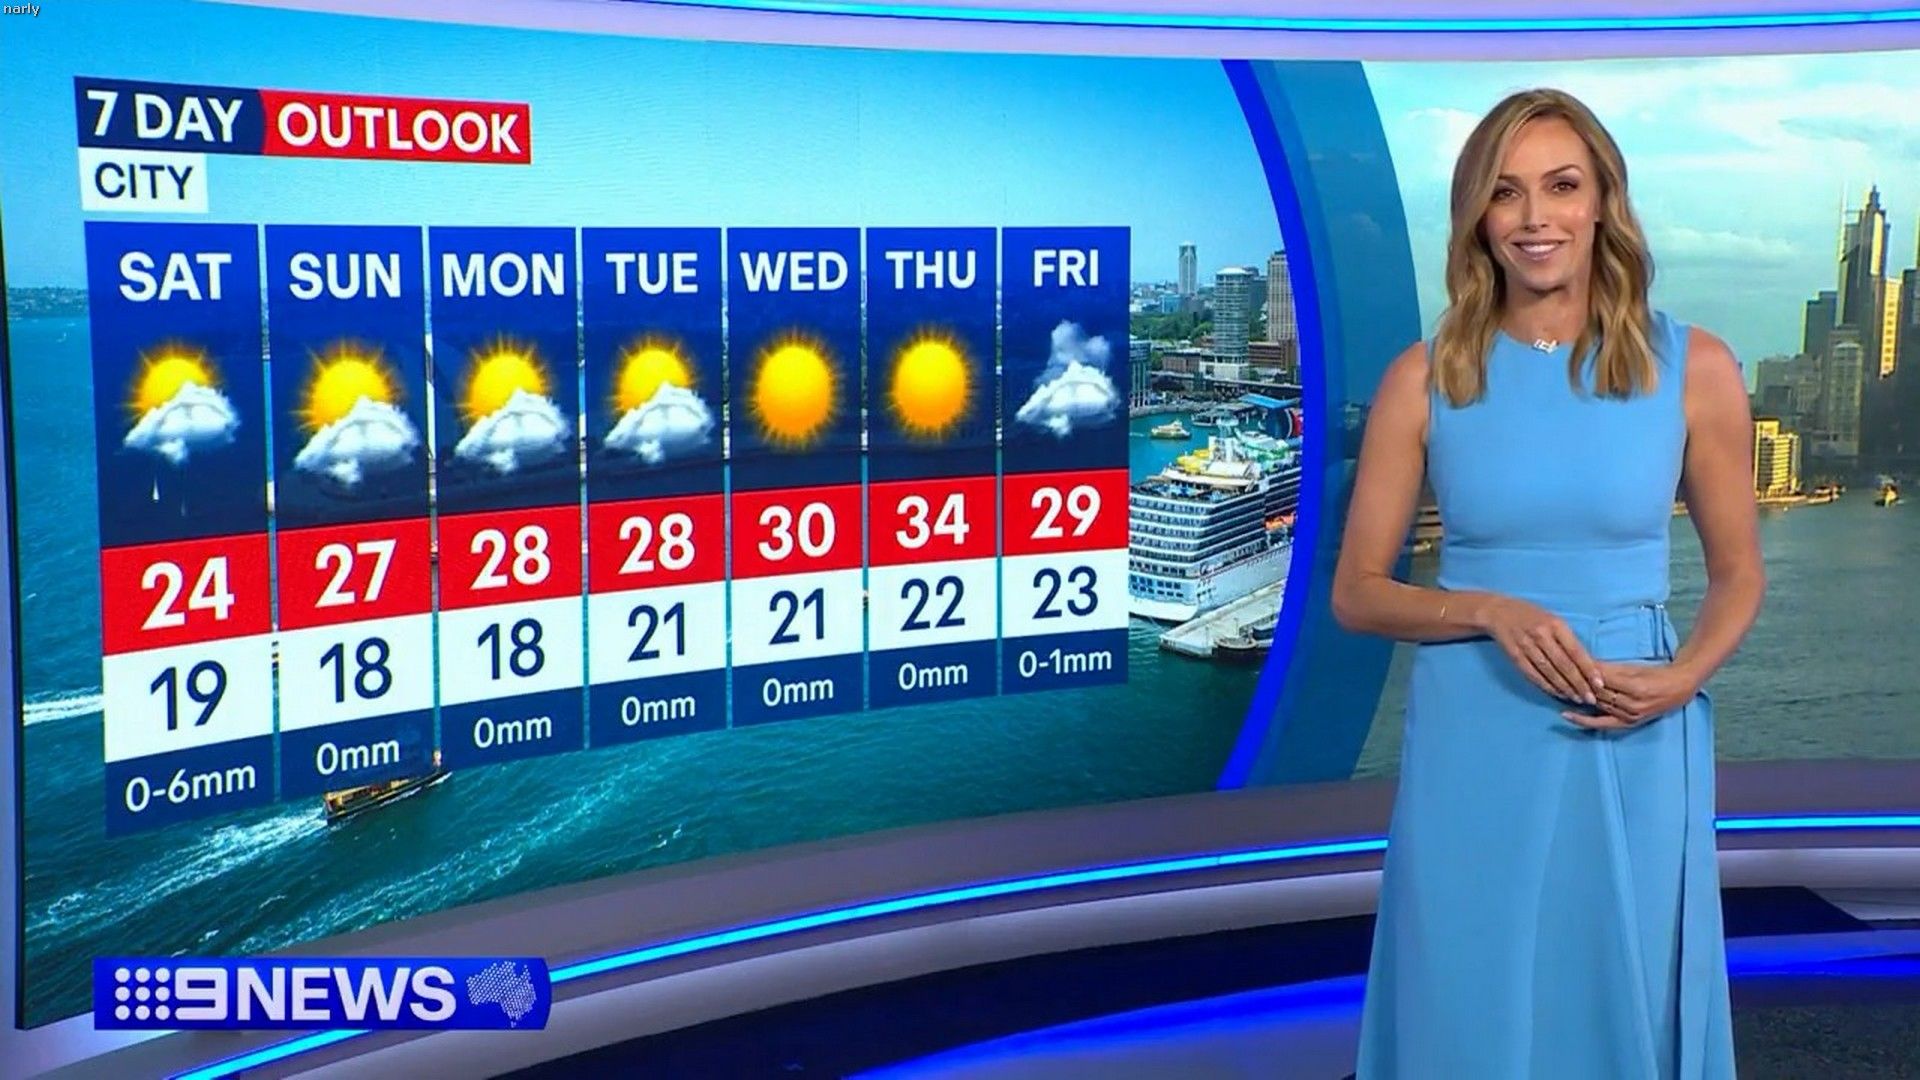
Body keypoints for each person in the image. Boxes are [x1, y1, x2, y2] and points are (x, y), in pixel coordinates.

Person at [1334, 88, 1765, 1078]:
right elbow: (1357, 591)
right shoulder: (1423, 378)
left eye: (1562, 186)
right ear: (1477, 218)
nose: (1536, 218)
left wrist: (1685, 675)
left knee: (1621, 982)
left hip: (1633, 720)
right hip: (1475, 726)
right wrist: (1488, 609)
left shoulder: (1695, 367)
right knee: (1469, 988)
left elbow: (1739, 573)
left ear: (1603, 200)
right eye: (1506, 192)